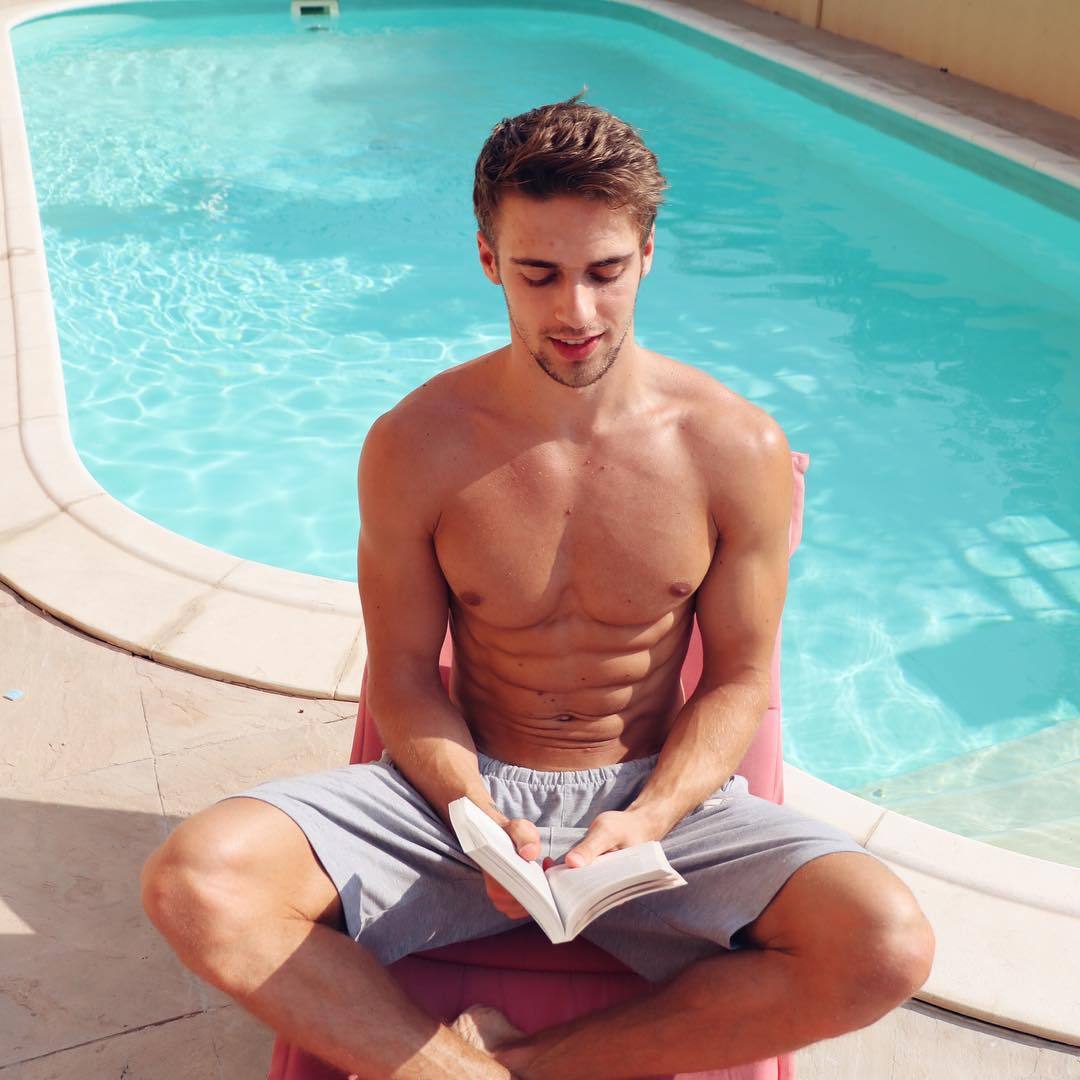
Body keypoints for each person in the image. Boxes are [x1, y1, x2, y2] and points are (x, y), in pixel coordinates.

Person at [141, 98, 934, 1078]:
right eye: (538, 274)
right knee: (196, 880)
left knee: (885, 944)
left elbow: (737, 681)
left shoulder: (734, 447)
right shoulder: (416, 444)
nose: (575, 313)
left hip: (657, 809)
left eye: (605, 272)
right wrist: (473, 814)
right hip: (458, 803)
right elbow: (399, 674)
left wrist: (648, 820)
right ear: (487, 261)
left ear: (647, 255)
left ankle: (512, 1068)